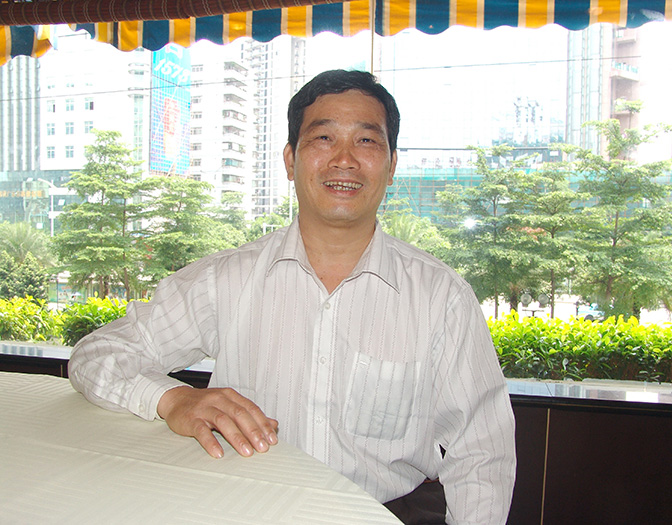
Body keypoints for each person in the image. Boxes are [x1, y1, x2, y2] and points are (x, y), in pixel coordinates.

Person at [69, 69, 516, 524]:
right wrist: (173, 399)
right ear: (290, 160)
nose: (344, 159)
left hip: (385, 513)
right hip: (247, 512)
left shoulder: (441, 297)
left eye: (366, 141)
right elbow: (97, 355)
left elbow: (482, 451)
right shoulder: (226, 280)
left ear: (391, 164)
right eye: (323, 138)